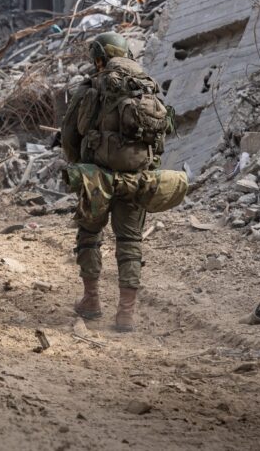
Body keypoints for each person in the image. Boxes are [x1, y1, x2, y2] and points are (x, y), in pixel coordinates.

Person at [60, 32, 170, 333]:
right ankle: (126, 314)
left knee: (89, 235)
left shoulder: (92, 87)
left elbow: (70, 136)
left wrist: (78, 168)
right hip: (136, 178)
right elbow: (161, 138)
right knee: (130, 241)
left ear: (100, 58)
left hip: (97, 177)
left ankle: (92, 301)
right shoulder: (147, 87)